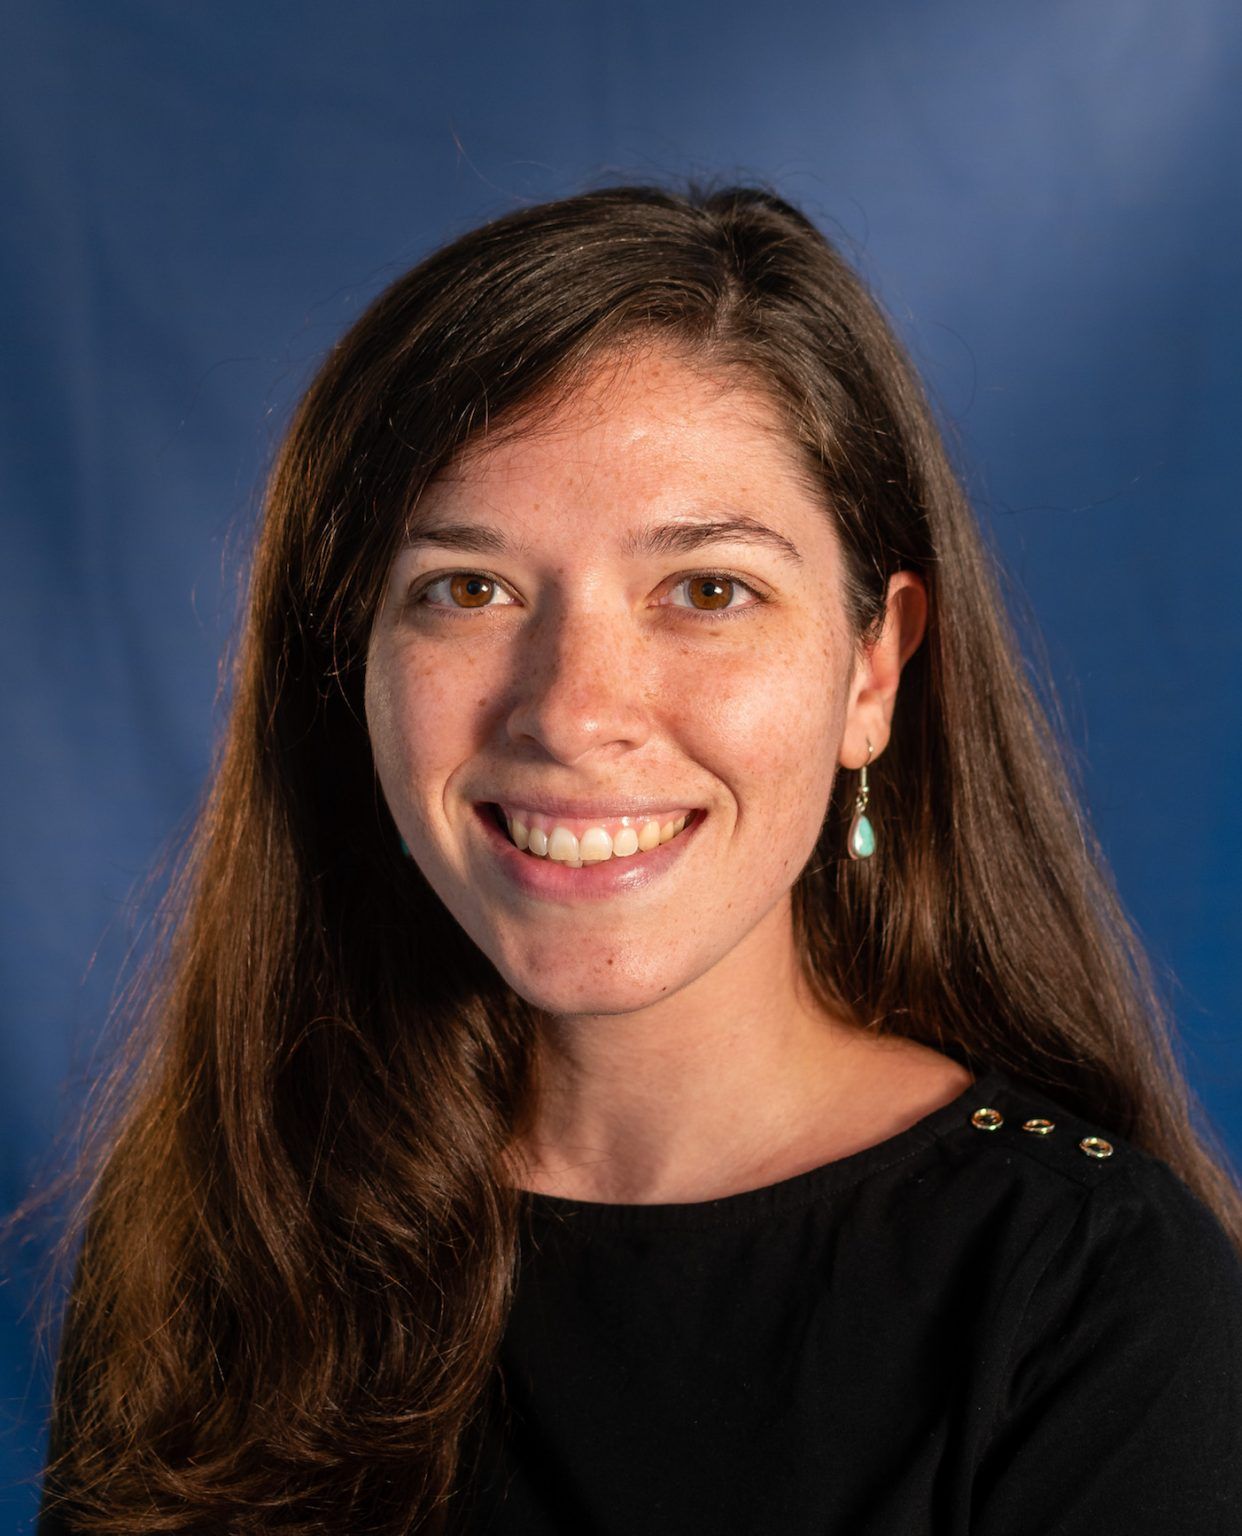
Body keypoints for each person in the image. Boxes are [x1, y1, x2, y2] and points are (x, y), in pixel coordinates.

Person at [28, 182, 1242, 1534]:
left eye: (707, 591)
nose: (570, 711)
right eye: (467, 589)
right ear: (345, 666)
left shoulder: (1090, 1294)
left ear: (872, 669)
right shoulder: (228, 1249)